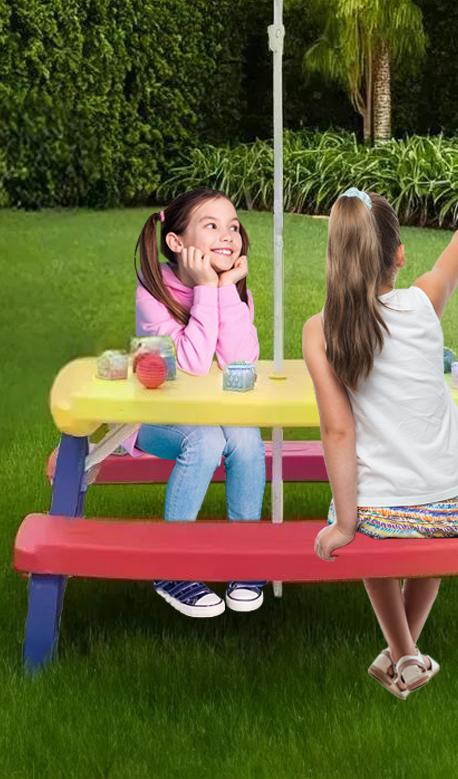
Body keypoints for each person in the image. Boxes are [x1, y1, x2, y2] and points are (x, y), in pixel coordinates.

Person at [302, 178, 458, 697]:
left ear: (337, 256)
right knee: (448, 500)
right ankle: (405, 655)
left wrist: (345, 524)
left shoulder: (321, 330)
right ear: (398, 255)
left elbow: (337, 430)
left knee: (369, 512)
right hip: (450, 508)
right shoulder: (423, 303)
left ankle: (403, 653)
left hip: (377, 514)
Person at [132, 187, 267, 618]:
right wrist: (208, 288)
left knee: (246, 440)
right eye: (211, 226)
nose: (228, 236)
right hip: (156, 419)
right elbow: (189, 363)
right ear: (176, 242)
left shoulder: (233, 289)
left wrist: (225, 290)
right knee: (206, 442)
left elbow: (238, 362)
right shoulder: (153, 292)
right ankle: (172, 566)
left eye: (232, 227)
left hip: (216, 411)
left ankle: (244, 558)